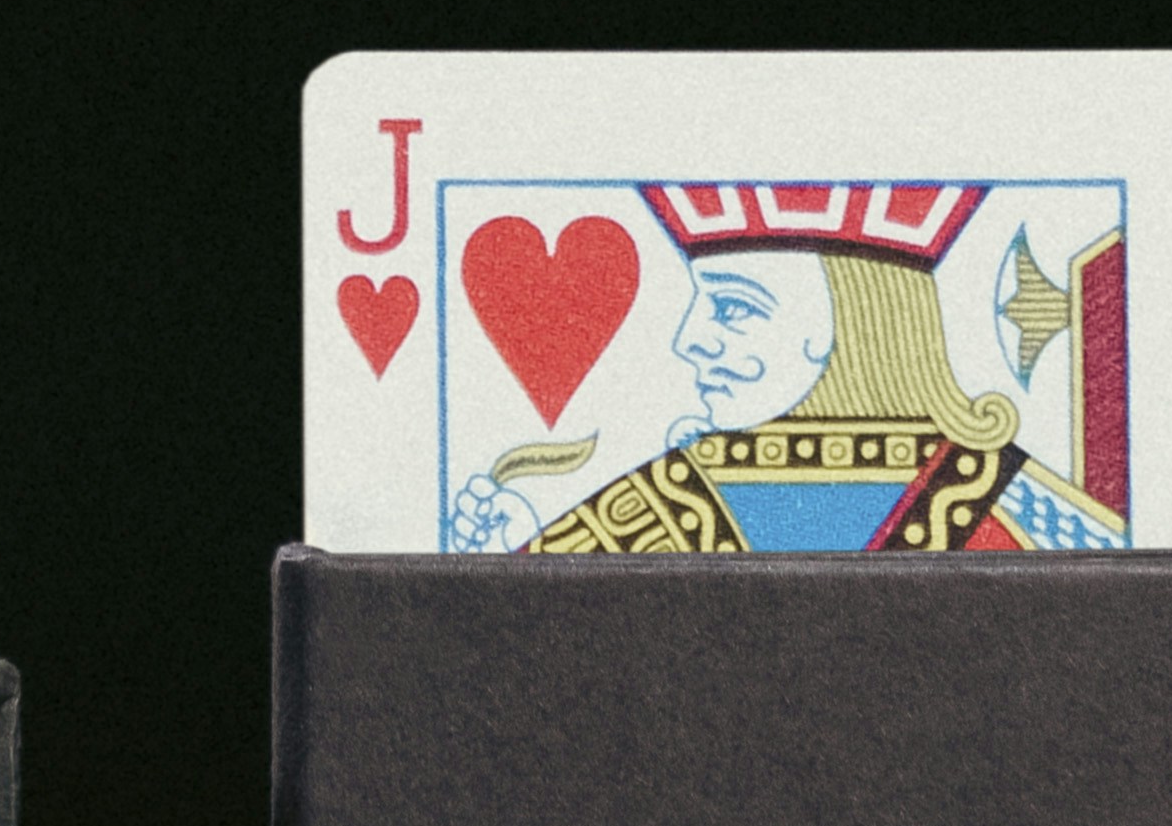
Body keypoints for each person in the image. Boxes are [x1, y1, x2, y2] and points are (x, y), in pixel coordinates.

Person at [447, 182, 1125, 555]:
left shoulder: (1011, 502)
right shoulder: (669, 493)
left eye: (734, 309)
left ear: (851, 322)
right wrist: (512, 566)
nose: (688, 342)